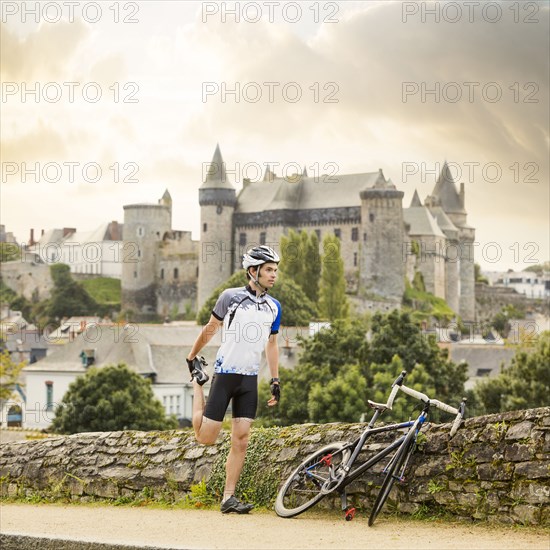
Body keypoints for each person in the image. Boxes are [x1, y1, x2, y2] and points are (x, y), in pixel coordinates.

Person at [186, 245, 282, 514]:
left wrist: (275, 379)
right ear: (253, 271)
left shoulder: (274, 307)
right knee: (206, 437)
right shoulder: (230, 298)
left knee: (241, 439)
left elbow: (272, 344)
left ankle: (229, 498)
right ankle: (197, 385)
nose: (274, 275)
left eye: (275, 270)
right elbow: (210, 329)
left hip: (249, 380)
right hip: (226, 374)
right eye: (269, 270)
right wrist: (192, 356)